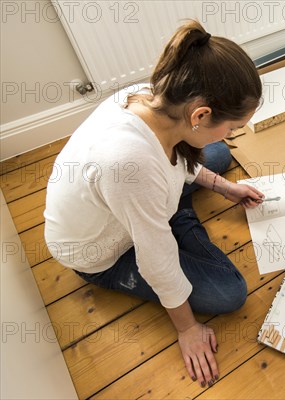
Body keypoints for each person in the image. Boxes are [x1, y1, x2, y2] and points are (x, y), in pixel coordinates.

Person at [44, 20, 264, 387]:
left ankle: (171, 206)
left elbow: (179, 156)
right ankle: (175, 211)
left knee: (217, 152)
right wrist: (188, 328)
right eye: (233, 125)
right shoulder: (129, 164)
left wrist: (225, 188)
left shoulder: (152, 94)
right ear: (201, 115)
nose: (233, 131)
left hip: (136, 194)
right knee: (230, 293)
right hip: (102, 255)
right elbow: (156, 261)